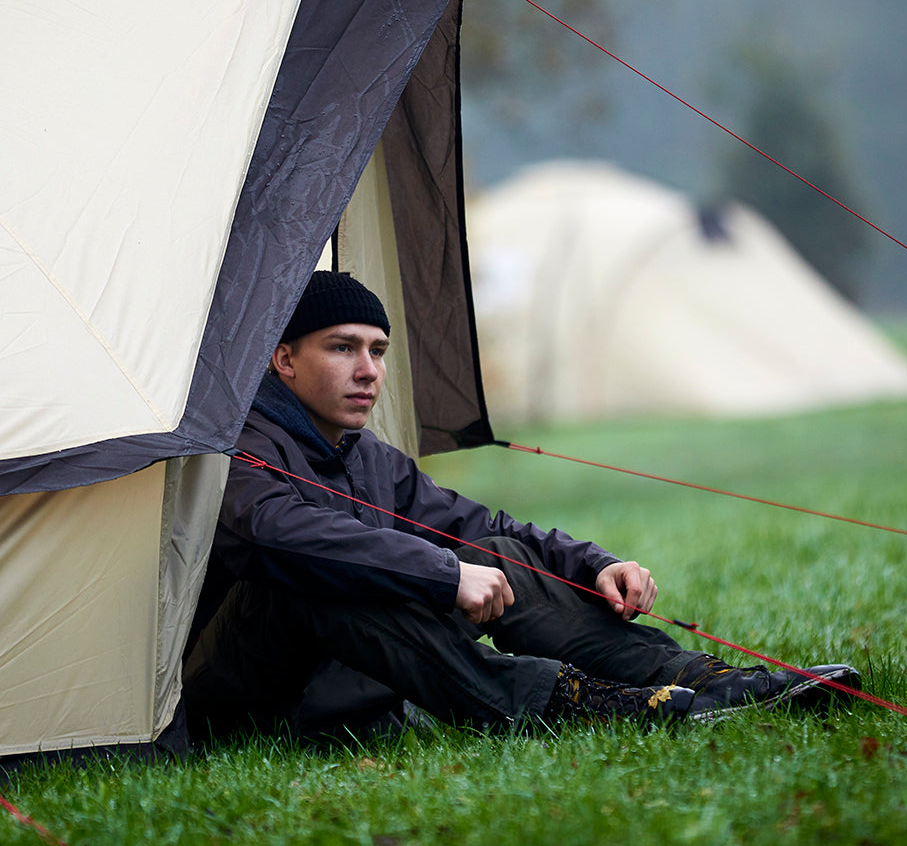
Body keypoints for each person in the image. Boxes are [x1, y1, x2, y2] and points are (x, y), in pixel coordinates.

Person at [182, 271, 859, 739]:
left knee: (496, 554)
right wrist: (445, 577)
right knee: (313, 573)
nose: (368, 370)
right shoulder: (236, 444)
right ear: (284, 360)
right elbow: (281, 535)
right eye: (343, 348)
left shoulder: (367, 456)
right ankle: (563, 702)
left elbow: (483, 526)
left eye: (379, 351)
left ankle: (702, 682)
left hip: (353, 685)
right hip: (249, 697)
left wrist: (594, 563)